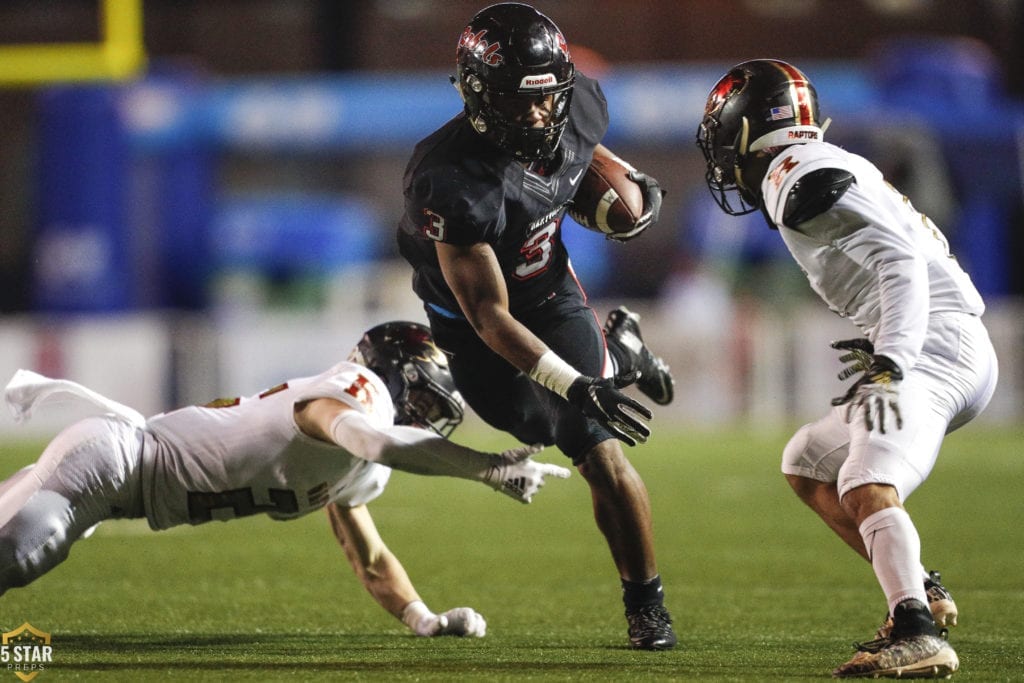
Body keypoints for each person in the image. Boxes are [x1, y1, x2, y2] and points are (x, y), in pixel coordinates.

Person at [696, 59, 998, 678]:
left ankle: (915, 629)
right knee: (809, 460)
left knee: (865, 479)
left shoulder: (793, 173)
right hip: (944, 343)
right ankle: (919, 585)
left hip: (935, 349)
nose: (724, 156)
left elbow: (900, 261)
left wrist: (894, 355)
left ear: (752, 127)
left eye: (728, 137)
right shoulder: (817, 163)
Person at [396, 3, 677, 650]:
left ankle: (646, 602)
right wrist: (570, 382)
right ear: (476, 94)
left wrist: (627, 187)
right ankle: (621, 357)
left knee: (595, 445)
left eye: (547, 100)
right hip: (475, 327)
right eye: (517, 102)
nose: (537, 116)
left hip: (551, 294)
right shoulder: (448, 179)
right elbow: (489, 315)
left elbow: (582, 156)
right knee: (535, 421)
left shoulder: (578, 105)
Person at [0, 321, 571, 638]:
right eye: (421, 394)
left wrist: (425, 620)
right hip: (117, 459)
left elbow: (369, 558)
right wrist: (487, 467)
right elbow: (375, 440)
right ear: (394, 375)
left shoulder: (361, 462)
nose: (426, 412)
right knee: (25, 550)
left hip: (123, 494)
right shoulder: (356, 391)